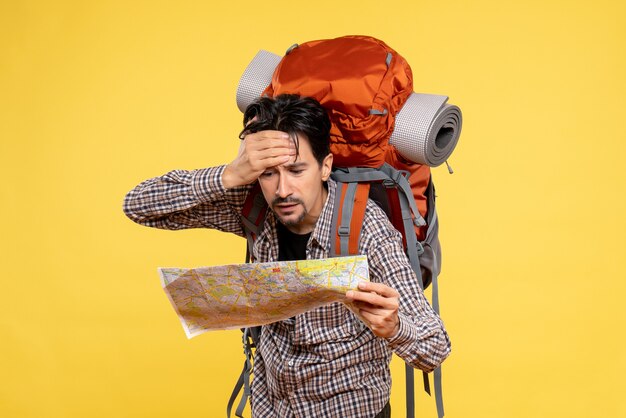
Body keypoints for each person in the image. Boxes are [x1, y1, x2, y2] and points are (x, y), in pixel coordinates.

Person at [123, 94, 451, 418]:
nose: (282, 190)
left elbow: (435, 346)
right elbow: (138, 206)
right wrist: (230, 175)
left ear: (325, 167)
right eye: (268, 173)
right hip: (272, 408)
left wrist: (394, 328)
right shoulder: (253, 207)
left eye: (296, 170)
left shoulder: (366, 228)